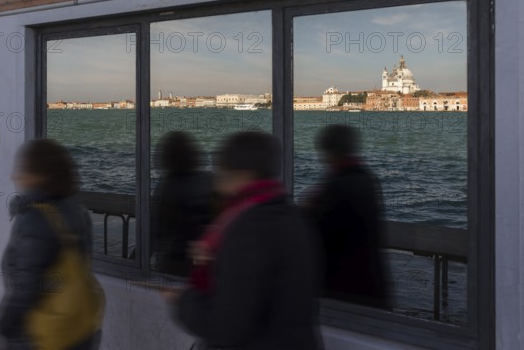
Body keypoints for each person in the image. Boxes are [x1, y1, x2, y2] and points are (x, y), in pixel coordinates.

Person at [164, 131, 323, 350]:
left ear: (239, 173)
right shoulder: (293, 217)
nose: (216, 180)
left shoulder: (245, 228)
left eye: (221, 170)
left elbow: (225, 327)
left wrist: (184, 301)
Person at [0, 139, 104, 350]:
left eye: (23, 169)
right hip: (79, 327)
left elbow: (26, 284)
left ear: (39, 175)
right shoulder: (76, 209)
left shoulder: (36, 218)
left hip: (42, 333)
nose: (15, 175)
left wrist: (4, 324)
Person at [303, 124, 390, 309]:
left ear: (327, 152)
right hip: (373, 288)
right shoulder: (368, 179)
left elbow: (315, 230)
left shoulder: (333, 188)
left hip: (343, 293)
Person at [152, 131, 217, 276]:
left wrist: (133, 262)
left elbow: (155, 232)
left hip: (175, 265)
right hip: (208, 265)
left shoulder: (168, 187)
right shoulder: (208, 179)